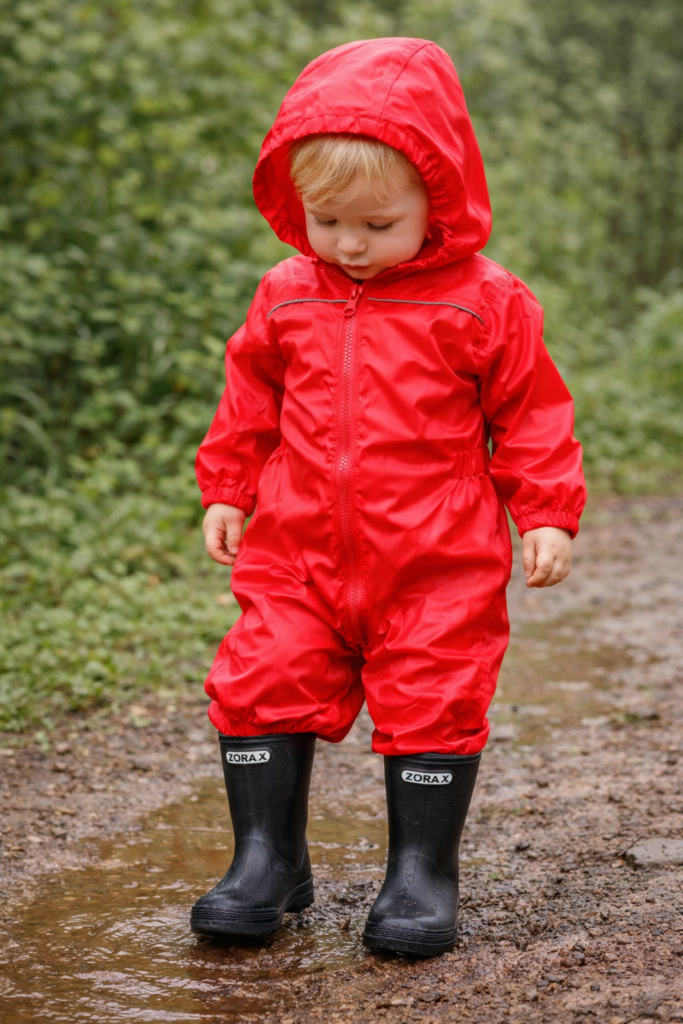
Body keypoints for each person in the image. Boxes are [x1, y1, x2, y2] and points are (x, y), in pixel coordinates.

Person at [190, 37, 586, 956]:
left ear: (436, 202)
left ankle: (418, 877)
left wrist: (546, 511)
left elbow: (529, 414)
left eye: (376, 222)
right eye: (328, 221)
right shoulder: (286, 294)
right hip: (295, 550)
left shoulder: (485, 302)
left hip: (435, 555)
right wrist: (229, 487)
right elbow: (250, 399)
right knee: (262, 679)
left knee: (435, 691)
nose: (350, 244)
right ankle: (267, 861)